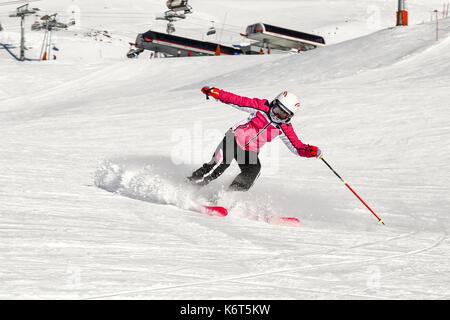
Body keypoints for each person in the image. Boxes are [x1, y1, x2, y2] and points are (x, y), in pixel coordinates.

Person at [187, 87, 322, 191]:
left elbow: (296, 147)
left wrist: (308, 151)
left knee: (253, 171)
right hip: (233, 139)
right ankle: (191, 185)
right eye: (276, 109)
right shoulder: (261, 108)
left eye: (283, 115)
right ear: (273, 103)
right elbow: (237, 100)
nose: (277, 115)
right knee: (220, 164)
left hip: (249, 151)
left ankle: (227, 196)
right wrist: (217, 93)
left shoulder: (284, 128)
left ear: (289, 117)